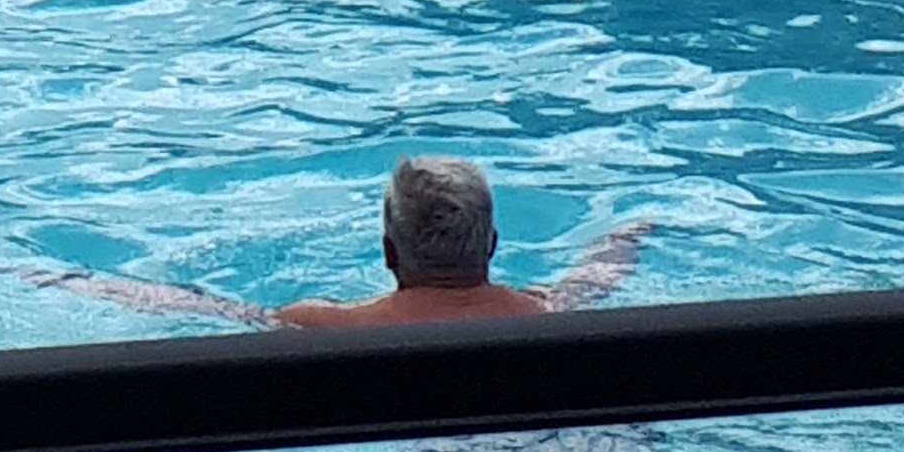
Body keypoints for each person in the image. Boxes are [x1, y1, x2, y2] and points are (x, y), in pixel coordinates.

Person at [47, 157, 644, 332]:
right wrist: (631, 231)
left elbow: (207, 310)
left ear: (389, 253)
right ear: (492, 244)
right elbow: (597, 275)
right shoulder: (547, 312)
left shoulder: (329, 326)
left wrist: (83, 284)